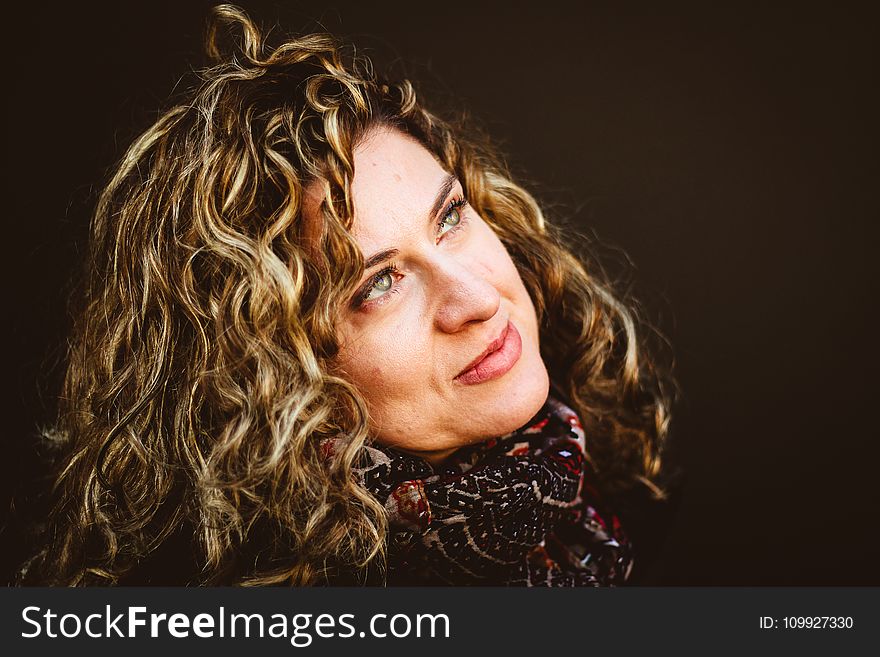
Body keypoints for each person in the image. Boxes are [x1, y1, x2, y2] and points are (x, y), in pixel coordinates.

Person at [20, 4, 673, 586]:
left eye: (449, 217)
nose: (474, 298)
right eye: (379, 283)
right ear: (268, 375)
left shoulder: (601, 514)